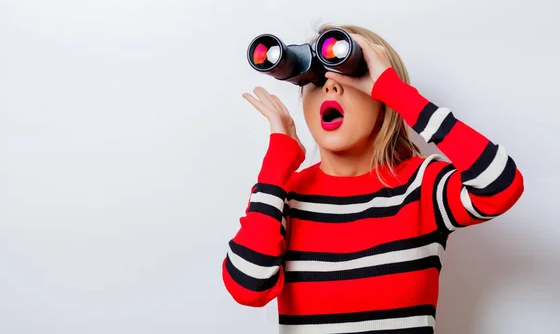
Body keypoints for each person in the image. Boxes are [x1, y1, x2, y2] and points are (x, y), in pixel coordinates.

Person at [222, 24, 524, 333]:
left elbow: (502, 185)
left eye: (349, 76)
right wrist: (275, 167)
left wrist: (399, 94)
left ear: (381, 99)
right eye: (314, 80)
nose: (330, 87)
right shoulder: (280, 196)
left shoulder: (421, 187)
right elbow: (249, 288)